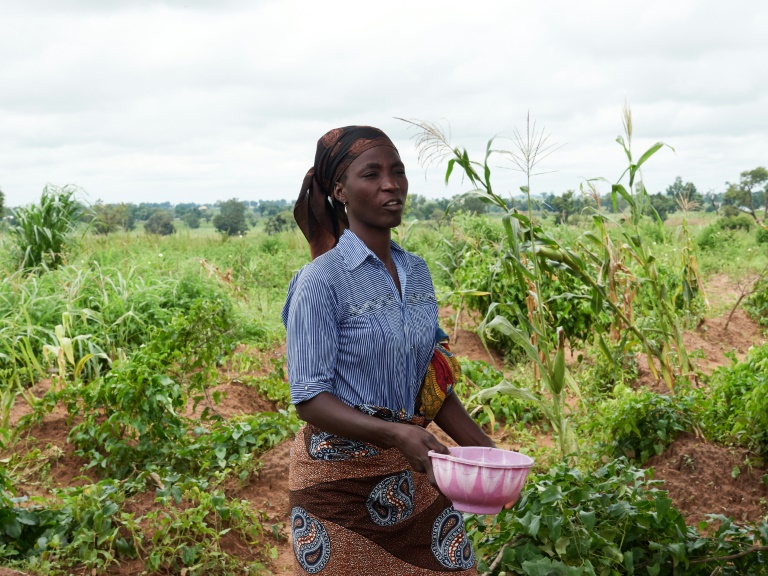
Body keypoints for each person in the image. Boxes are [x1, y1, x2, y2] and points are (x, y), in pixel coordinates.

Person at [282, 126, 495, 575]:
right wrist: (397, 434)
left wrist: (487, 453)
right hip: (338, 493)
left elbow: (429, 384)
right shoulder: (321, 281)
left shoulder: (416, 272)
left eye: (397, 172)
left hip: (413, 478)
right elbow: (309, 398)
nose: (390, 184)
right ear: (340, 190)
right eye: (372, 174)